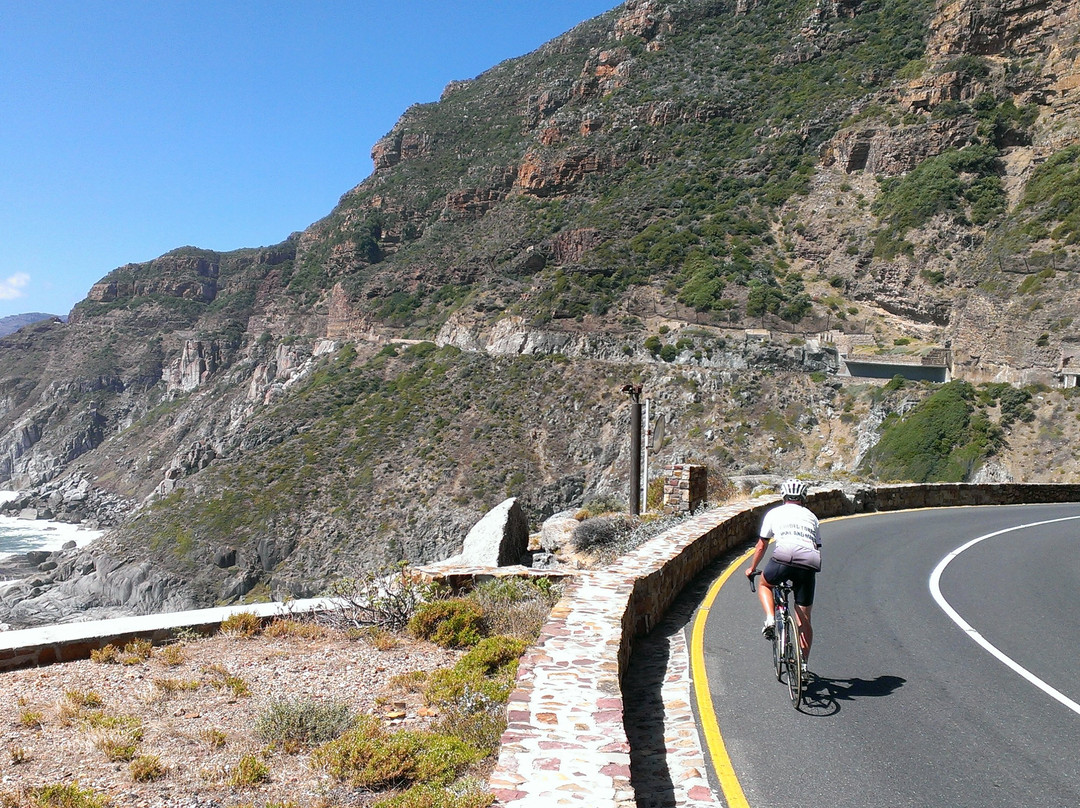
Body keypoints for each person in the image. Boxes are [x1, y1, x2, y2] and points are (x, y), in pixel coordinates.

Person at [745, 478, 821, 673]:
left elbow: (762, 545)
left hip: (783, 557)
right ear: (803, 497)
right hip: (809, 561)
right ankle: (803, 664)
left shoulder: (774, 513)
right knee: (804, 618)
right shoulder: (812, 516)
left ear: (784, 496)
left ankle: (771, 619)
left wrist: (752, 567)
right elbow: (816, 545)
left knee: (765, 584)